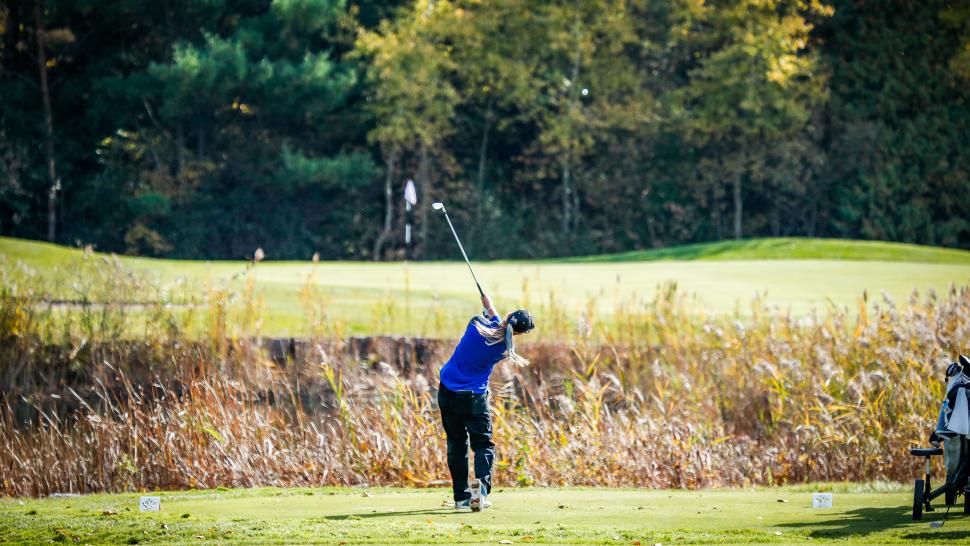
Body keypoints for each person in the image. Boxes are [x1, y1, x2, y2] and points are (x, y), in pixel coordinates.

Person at [437, 292, 534, 511]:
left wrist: (489, 306)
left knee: (456, 444)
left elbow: (491, 322)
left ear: (507, 316)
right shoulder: (503, 350)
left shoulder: (476, 325)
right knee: (482, 445)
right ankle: (479, 493)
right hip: (473, 400)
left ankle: (461, 497)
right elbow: (500, 329)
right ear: (518, 334)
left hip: (446, 393)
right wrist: (491, 308)